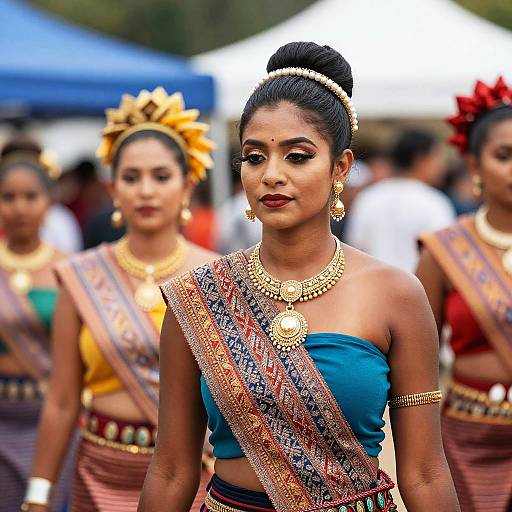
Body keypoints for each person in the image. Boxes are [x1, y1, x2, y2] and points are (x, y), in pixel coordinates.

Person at [139, 42, 459, 512]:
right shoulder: (198, 297)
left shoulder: (395, 295)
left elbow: (425, 473)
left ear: (340, 167)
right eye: (253, 157)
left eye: (297, 156)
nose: (271, 175)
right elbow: (172, 469)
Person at [23, 87, 217, 512]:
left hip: (194, 475)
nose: (146, 191)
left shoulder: (218, 276)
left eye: (161, 177)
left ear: (187, 185)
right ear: (113, 188)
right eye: (131, 177)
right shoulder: (81, 276)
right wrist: (38, 495)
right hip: (98, 473)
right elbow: (61, 398)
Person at [417, 76, 512, 512]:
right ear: (474, 165)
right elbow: (416, 362)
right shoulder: (444, 251)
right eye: (503, 156)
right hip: (467, 437)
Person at [0, 137, 74, 511]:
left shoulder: (70, 271)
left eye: (30, 197)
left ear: (49, 202)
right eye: (8, 197)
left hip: (52, 419)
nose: (19, 208)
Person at [346, 129, 455, 272]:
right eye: (437, 157)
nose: (441, 166)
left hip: (372, 286)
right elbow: (444, 255)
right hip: (418, 290)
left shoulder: (369, 197)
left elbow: (354, 247)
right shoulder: (434, 202)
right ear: (421, 160)